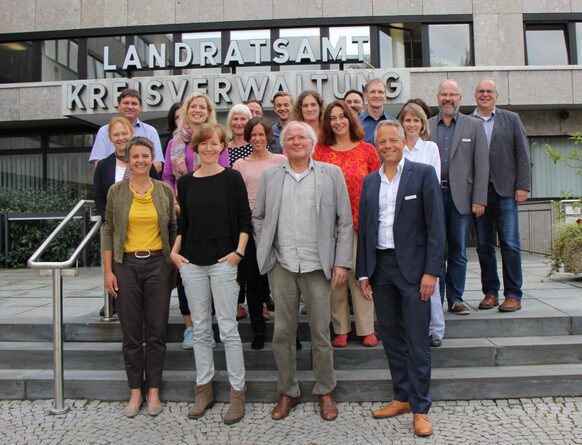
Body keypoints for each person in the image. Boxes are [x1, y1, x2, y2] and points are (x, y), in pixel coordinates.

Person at [253, 121, 353, 422]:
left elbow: (345, 221)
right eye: (291, 138)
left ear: (311, 143)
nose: (296, 142)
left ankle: (325, 390)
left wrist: (341, 262)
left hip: (317, 266)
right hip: (282, 266)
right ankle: (288, 391)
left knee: (321, 332)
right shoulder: (271, 175)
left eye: (302, 137)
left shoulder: (330, 174)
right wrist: (267, 249)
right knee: (283, 332)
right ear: (284, 145)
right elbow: (258, 216)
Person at [356, 120, 445, 438]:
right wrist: (363, 271)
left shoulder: (422, 174)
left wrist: (431, 272)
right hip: (381, 270)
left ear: (403, 141)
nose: (387, 145)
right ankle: (402, 396)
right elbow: (366, 229)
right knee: (392, 338)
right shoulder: (370, 181)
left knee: (417, 342)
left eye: (393, 139)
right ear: (376, 146)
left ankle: (421, 408)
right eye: (381, 142)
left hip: (414, 272)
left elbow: (436, 227)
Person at [170, 123, 251, 425]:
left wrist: (238, 254)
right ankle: (203, 390)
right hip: (191, 262)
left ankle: (237, 393)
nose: (208, 148)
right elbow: (184, 225)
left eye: (214, 143)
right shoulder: (187, 182)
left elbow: (244, 219)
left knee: (228, 329)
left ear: (222, 146)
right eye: (203, 143)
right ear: (197, 147)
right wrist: (175, 254)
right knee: (201, 330)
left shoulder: (232, 178)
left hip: (224, 261)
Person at [101, 136, 176, 418]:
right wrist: (108, 270)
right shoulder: (116, 192)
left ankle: (154, 389)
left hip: (158, 264)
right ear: (128, 160)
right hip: (126, 265)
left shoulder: (164, 190)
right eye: (135, 157)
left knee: (156, 331)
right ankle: (135, 391)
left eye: (145, 156)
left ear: (152, 157)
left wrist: (171, 264)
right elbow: (108, 230)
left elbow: (172, 228)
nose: (141, 161)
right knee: (131, 332)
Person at [313, 101, 380, 348]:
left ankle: (366, 328)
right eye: (332, 118)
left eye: (342, 116)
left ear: (350, 119)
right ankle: (340, 327)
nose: (338, 121)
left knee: (359, 274)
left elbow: (377, 186)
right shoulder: (320, 151)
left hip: (359, 223)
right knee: (334, 277)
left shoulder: (367, 150)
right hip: (329, 225)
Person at [162, 92, 221, 350]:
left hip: (210, 215)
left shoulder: (215, 138)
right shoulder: (174, 142)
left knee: (213, 273)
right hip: (181, 213)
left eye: (203, 107)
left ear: (209, 112)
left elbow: (223, 172)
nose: (198, 110)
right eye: (193, 106)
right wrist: (174, 201)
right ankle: (190, 328)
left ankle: (209, 325)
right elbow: (166, 176)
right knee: (186, 272)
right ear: (187, 110)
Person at [428, 79, 489, 315]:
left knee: (458, 250)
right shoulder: (428, 125)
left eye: (452, 95)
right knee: (436, 249)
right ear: (437, 98)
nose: (448, 99)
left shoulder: (473, 126)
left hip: (461, 198)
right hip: (433, 196)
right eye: (443, 94)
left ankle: (455, 298)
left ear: (460, 98)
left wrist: (480, 198)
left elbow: (481, 165)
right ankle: (437, 299)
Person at [472, 79, 531, 312]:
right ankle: (490, 292)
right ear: (475, 95)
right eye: (481, 91)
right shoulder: (468, 122)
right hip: (479, 194)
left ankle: (513, 294)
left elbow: (522, 153)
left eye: (489, 91)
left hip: (506, 191)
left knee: (510, 243)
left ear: (496, 95)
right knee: (484, 245)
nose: (485, 94)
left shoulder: (511, 119)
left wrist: (522, 185)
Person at [93, 117, 159, 317]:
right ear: (110, 138)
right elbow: (98, 196)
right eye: (116, 134)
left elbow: (156, 191)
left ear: (132, 134)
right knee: (115, 265)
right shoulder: (104, 166)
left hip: (144, 226)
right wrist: (110, 221)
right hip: (115, 225)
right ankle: (114, 301)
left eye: (124, 133)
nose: (121, 138)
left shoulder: (145, 163)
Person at [233, 117, 287, 350]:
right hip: (250, 226)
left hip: (278, 224)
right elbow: (237, 199)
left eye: (261, 134)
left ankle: (288, 333)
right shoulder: (239, 165)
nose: (257, 138)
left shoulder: (280, 160)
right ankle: (258, 330)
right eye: (253, 134)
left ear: (268, 136)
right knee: (253, 281)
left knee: (282, 283)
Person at [399, 103, 445, 348]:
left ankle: (435, 329)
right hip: (402, 220)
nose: (412, 124)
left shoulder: (431, 148)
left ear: (422, 123)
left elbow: (432, 181)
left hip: (424, 216)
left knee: (430, 277)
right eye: (407, 120)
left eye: (416, 120)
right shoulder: (397, 148)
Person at [89, 88, 165, 173]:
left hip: (142, 183)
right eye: (126, 103)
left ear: (140, 107)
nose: (130, 106)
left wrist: (132, 176)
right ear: (118, 106)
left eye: (134, 103)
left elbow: (158, 165)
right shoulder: (104, 131)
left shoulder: (150, 131)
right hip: (112, 184)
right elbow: (98, 165)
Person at [359, 79, 396, 145]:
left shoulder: (394, 123)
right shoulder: (357, 123)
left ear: (385, 96)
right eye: (372, 92)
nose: (376, 95)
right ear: (365, 96)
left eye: (380, 92)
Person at [226, 103, 254, 169]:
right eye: (235, 119)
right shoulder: (223, 147)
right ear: (230, 122)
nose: (239, 123)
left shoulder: (257, 144)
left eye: (243, 119)